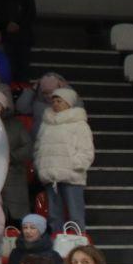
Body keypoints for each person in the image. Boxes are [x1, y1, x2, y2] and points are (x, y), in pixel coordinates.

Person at [36, 88, 94, 234]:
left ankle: (79, 248)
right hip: (51, 176)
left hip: (71, 177)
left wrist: (75, 165)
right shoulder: (46, 123)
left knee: (76, 216)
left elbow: (86, 150)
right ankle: (57, 248)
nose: (55, 104)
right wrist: (41, 165)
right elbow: (38, 148)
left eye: (59, 101)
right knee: (54, 216)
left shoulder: (79, 124)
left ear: (68, 103)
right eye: (53, 101)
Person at [0, 90, 33, 227]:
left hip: (13, 177)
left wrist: (10, 157)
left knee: (16, 218)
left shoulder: (16, 125)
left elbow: (27, 147)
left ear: (4, 107)